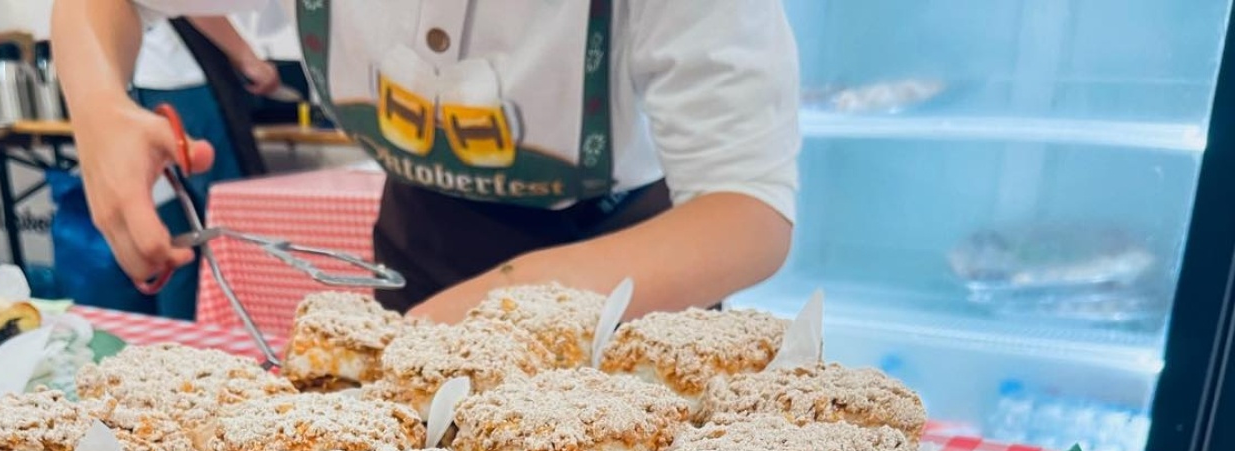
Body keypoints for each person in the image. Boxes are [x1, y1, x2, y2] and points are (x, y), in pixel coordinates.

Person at [53, 0, 799, 320]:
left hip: (631, 263)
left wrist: (523, 290)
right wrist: (99, 111)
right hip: (426, 235)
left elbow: (747, 211)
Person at [51, 14, 281, 317]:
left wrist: (97, 107)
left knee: (175, 241)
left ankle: (181, 349)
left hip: (144, 89)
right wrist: (248, 58)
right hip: (182, 85)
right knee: (226, 240)